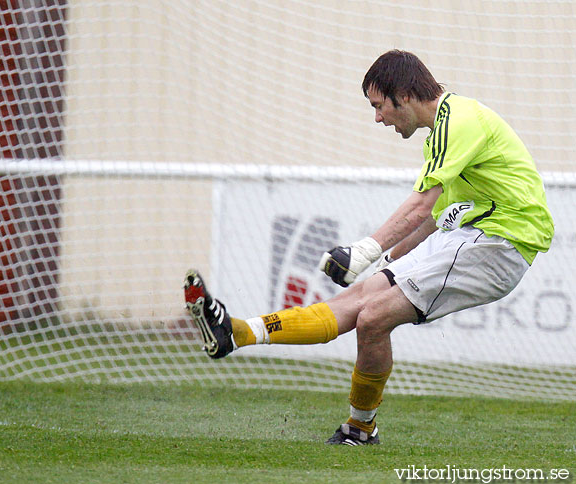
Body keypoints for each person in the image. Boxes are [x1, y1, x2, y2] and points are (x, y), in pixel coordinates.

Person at [183, 50, 553, 446]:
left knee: (374, 316)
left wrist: (362, 252)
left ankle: (359, 429)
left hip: (502, 241)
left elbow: (420, 206)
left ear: (404, 95)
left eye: (379, 106)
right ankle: (237, 333)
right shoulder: (443, 135)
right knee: (365, 295)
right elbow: (432, 220)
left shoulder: (459, 121)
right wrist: (384, 261)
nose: (378, 118)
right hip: (469, 236)